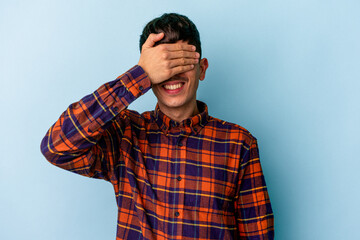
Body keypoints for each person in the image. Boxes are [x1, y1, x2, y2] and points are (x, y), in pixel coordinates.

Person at [41, 13, 274, 240]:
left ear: (202, 68)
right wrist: (139, 75)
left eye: (181, 61)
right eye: (163, 64)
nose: (172, 74)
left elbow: (258, 233)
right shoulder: (125, 133)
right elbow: (57, 146)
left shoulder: (239, 143)